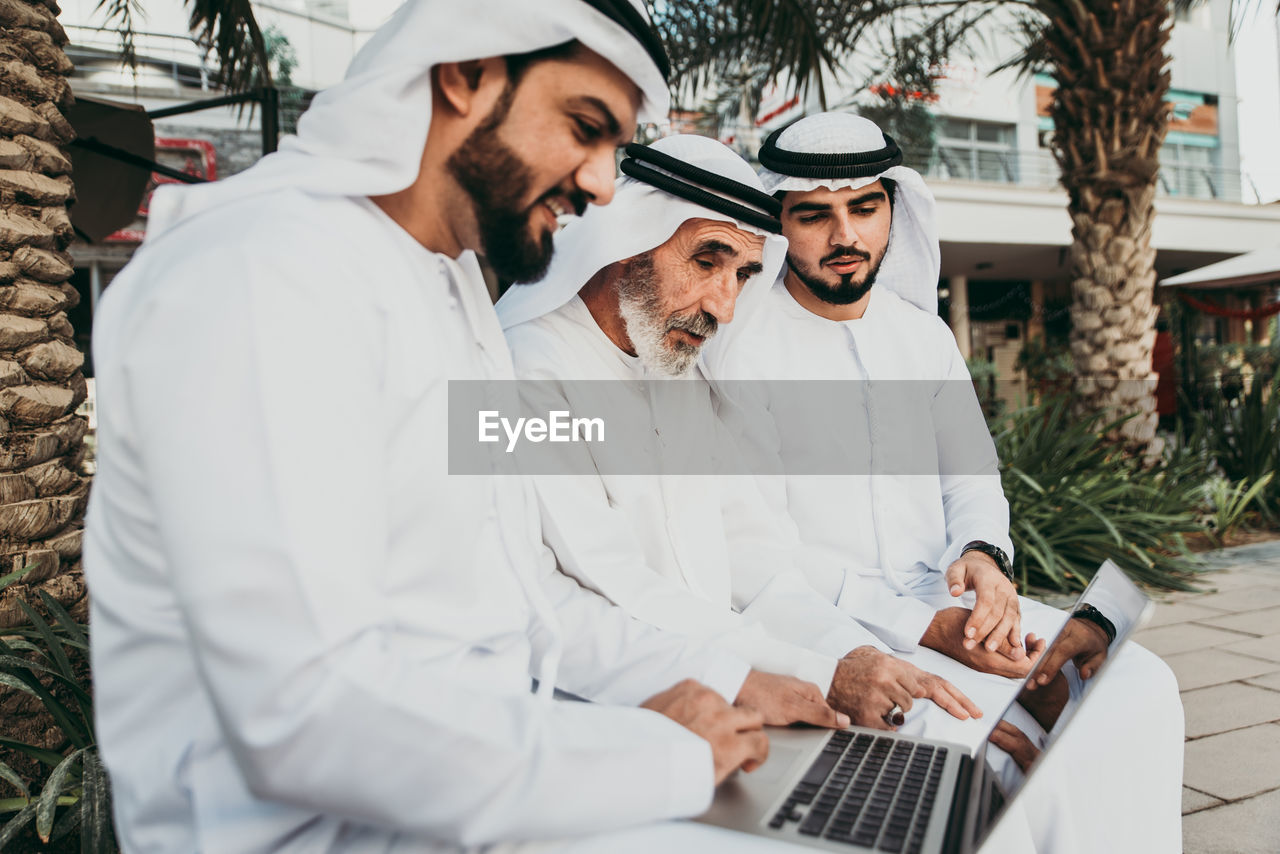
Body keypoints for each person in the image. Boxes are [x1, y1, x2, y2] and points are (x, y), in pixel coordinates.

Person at [82, 4, 836, 851]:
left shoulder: (448, 300)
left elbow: (527, 602)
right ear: (466, 73)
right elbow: (303, 711)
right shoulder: (265, 272)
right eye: (584, 127)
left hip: (494, 807)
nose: (597, 183)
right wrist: (651, 758)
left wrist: (724, 679)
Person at [702, 111, 1184, 852]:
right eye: (814, 215)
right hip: (834, 625)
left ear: (894, 206)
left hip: (952, 605)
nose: (846, 237)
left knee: (1138, 684)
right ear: (777, 221)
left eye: (865, 207)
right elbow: (752, 549)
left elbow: (972, 474)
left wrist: (987, 561)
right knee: (984, 752)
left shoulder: (921, 333)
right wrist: (926, 631)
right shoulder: (738, 344)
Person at [497, 134, 980, 732]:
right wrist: (816, 673)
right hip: (599, 716)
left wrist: (854, 654)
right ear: (625, 242)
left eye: (744, 275)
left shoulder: (679, 378)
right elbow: (613, 587)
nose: (724, 308)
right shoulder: (521, 374)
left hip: (729, 693)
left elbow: (757, 561)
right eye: (706, 262)